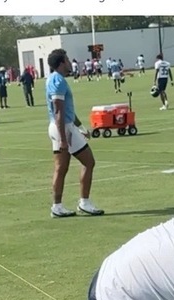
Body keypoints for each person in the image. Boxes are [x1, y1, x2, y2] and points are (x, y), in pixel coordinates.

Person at [45, 48, 104, 219]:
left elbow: (65, 110)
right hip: (63, 128)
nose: (70, 62)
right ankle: (84, 202)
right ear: (62, 62)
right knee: (89, 162)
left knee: (61, 168)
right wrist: (65, 138)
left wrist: (80, 126)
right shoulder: (58, 81)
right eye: (68, 59)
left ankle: (57, 206)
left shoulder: (53, 79)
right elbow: (59, 112)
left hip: (59, 127)